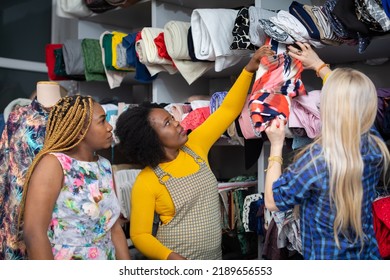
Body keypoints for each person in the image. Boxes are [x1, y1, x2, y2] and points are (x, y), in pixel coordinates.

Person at [114, 45, 275, 260]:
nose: (178, 123)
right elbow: (140, 234)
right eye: (168, 123)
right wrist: (169, 257)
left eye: (173, 118)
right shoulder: (147, 180)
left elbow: (227, 110)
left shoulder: (195, 146)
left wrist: (249, 69)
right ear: (149, 138)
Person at [264, 41, 390, 259]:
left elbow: (272, 202)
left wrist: (276, 145)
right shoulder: (375, 147)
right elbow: (353, 104)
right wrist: (320, 66)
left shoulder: (315, 162)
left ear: (328, 107)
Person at [19, 95, 130, 260]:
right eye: (102, 121)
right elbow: (34, 233)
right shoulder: (53, 165)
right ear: (79, 132)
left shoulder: (105, 166)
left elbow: (113, 227)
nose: (109, 127)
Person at [0, 81, 66, 260]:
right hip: (17, 207)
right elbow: (5, 163)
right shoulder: (17, 117)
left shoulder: (71, 119)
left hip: (58, 206)